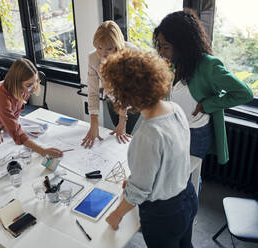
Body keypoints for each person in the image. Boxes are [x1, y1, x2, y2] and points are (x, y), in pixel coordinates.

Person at [153, 9, 254, 195]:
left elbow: (244, 93)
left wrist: (208, 104)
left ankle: (190, 218)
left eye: (165, 47)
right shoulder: (174, 63)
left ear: (183, 44)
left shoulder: (208, 65)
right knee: (174, 177)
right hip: (174, 128)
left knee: (190, 179)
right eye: (160, 46)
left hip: (195, 133)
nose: (161, 52)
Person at [104, 49, 198, 248]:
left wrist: (117, 215)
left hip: (164, 215)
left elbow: (140, 190)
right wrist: (138, 178)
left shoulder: (149, 133)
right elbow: (171, 161)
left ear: (126, 95)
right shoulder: (175, 109)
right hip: (187, 196)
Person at [0, 58, 62, 158]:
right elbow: (15, 131)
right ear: (17, 82)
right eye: (29, 85)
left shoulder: (23, 90)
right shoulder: (0, 95)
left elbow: (13, 116)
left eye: (36, 81)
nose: (33, 89)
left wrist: (0, 130)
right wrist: (42, 150)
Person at [81, 20, 140, 149]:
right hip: (112, 99)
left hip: (133, 100)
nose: (103, 53)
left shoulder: (131, 54)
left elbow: (127, 90)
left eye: (108, 49)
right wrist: (94, 122)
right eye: (99, 48)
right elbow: (93, 92)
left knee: (126, 136)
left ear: (117, 45)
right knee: (118, 135)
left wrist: (123, 119)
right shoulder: (93, 58)